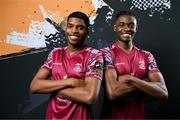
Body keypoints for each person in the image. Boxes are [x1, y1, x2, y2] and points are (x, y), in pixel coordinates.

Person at [30, 11, 103, 119]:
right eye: (70, 26)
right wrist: (71, 82)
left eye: (80, 27)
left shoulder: (96, 56)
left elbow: (90, 97)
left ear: (87, 31)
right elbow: (34, 86)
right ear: (66, 29)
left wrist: (53, 88)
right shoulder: (55, 53)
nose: (74, 31)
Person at [101, 10, 168, 119]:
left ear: (136, 28)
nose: (127, 29)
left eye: (131, 25)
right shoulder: (105, 54)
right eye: (121, 25)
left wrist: (129, 79)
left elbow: (163, 92)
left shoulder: (147, 56)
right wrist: (146, 83)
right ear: (115, 28)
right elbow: (113, 92)